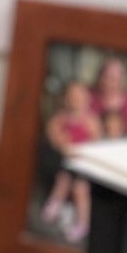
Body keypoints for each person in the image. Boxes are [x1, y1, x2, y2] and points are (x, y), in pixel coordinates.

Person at [40, 80, 102, 244]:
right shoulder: (62, 117)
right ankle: (55, 204)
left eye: (79, 96)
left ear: (87, 99)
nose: (76, 100)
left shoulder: (91, 120)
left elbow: (96, 141)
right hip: (67, 162)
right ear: (66, 99)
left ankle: (82, 223)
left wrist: (81, 150)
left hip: (83, 164)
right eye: (72, 96)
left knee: (80, 190)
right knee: (62, 180)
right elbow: (52, 132)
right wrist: (61, 142)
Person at [92, 57, 127, 140]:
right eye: (107, 77)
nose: (111, 83)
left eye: (116, 79)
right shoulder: (90, 97)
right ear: (100, 78)